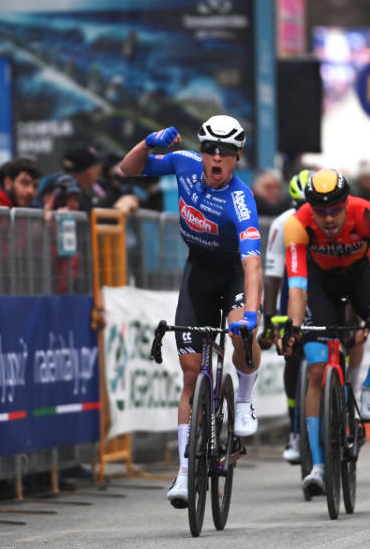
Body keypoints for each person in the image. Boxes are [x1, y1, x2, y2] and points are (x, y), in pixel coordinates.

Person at [114, 115, 263, 509]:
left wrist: (251, 312)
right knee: (191, 373)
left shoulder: (240, 199)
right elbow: (126, 170)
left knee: (240, 335)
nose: (216, 159)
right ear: (201, 151)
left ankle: (245, 397)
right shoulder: (183, 164)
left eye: (226, 153)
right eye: (211, 150)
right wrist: (148, 144)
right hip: (197, 273)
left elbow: (252, 265)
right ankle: (183, 474)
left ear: (237, 157)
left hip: (232, 274)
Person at [283, 168, 370, 496]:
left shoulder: (367, 215)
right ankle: (318, 466)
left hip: (362, 278)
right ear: (310, 209)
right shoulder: (297, 225)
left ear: (346, 202)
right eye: (321, 211)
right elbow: (297, 287)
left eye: (335, 209)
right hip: (322, 286)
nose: (329, 217)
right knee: (317, 371)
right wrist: (293, 326)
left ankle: (367, 389)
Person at [261, 168, 311, 464]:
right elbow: (272, 278)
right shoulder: (283, 224)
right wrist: (269, 321)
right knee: (292, 354)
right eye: (300, 206)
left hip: (323, 285)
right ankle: (294, 427)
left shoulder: (329, 221)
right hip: (293, 287)